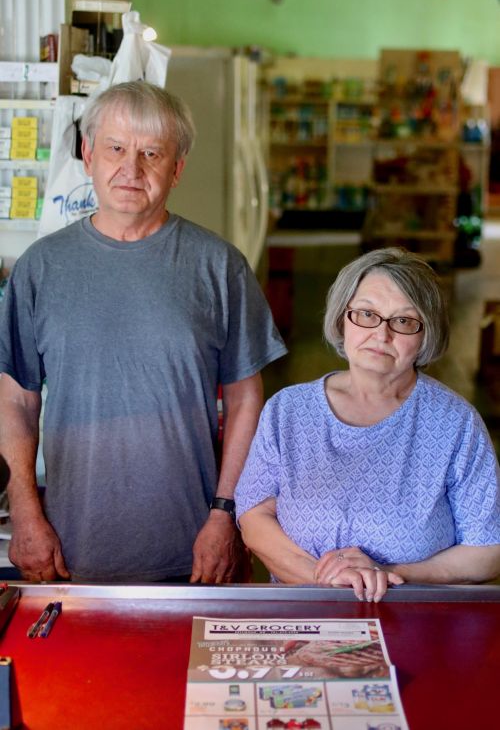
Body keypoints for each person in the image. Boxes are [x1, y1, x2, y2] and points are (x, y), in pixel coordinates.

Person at [0, 81, 287, 584]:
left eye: (151, 153)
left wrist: (225, 514)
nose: (130, 169)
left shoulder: (218, 265)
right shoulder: (40, 268)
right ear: (88, 155)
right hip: (71, 548)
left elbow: (247, 401)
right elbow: (16, 401)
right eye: (115, 148)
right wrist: (25, 512)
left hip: (197, 549)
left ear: (176, 169)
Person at [236, 247, 500, 602]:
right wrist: (325, 581)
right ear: (342, 319)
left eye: (404, 321)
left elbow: (489, 550)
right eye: (366, 314)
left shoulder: (456, 424)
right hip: (301, 616)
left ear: (427, 334)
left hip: (414, 622)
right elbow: (254, 514)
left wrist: (390, 576)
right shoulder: (288, 410)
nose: (381, 334)